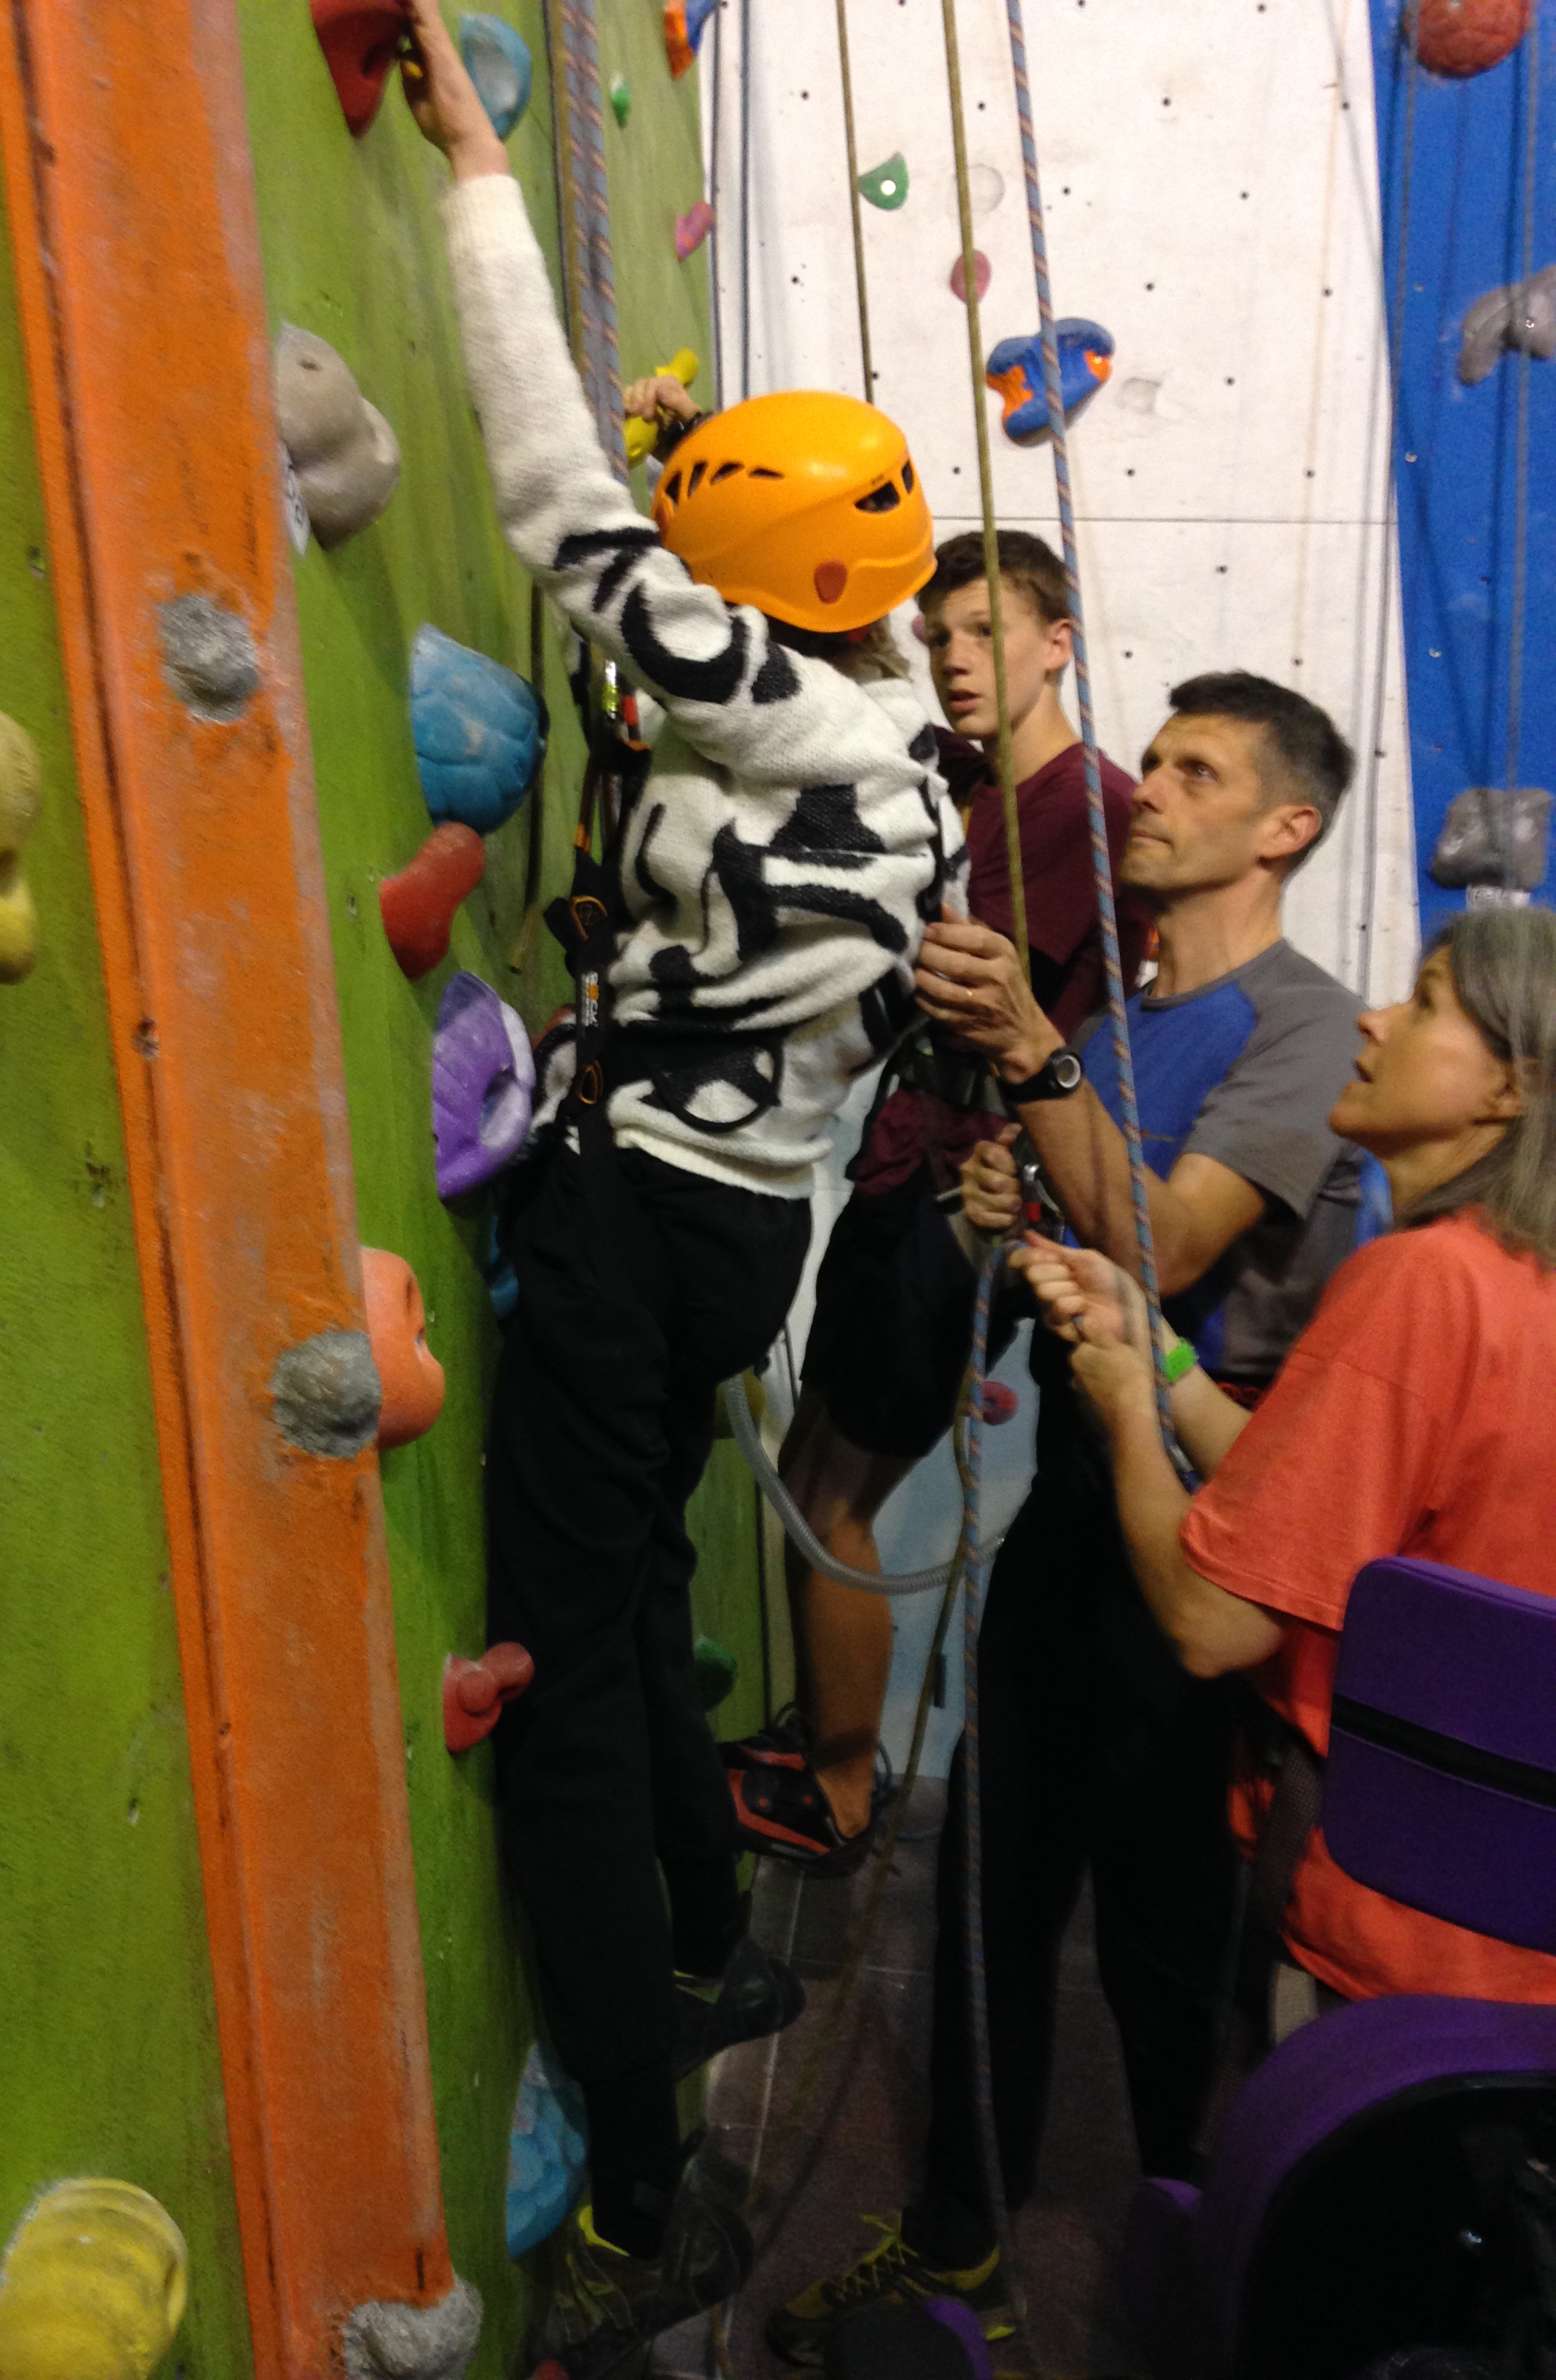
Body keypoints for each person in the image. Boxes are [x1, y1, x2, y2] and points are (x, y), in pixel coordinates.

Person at [399, 9, 963, 2372]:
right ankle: (717, 1932)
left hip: (641, 1213)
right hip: (748, 1225)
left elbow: (561, 509)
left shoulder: (763, 696)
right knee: (634, 1585)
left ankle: (647, 2194)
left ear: (754, 577)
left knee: (557, 1679)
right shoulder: (903, 741)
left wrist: (474, 179)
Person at [769, 672, 1370, 2358]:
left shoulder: (1303, 1026)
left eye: (1197, 772)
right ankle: (958, 2239)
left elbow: (1167, 1245)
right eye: (1154, 759)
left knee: (1171, 1947)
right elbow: (1083, 1226)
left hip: (1206, 1537)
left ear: (1286, 827)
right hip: (1073, 1515)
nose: (1149, 791)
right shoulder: (1117, 1029)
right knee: (989, 1888)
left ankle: (1202, 2267)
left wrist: (1035, 1066)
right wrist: (1001, 1200)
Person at [1018, 904, 1556, 2011]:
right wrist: (1160, 1352)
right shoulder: (1519, 1284)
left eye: (1426, 1004)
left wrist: (1126, 1411)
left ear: (1511, 1089)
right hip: (1503, 1910)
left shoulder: (1424, 1283)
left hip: (1392, 1912)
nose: (1375, 1021)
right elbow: (1314, 1500)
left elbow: (1213, 1622)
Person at [723, 529, 1148, 1871]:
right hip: (908, 1158)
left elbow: (1025, 1007)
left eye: (985, 633)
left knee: (836, 1498)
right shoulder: (959, 780)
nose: (956, 661)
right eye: (939, 637)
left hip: (971, 1191)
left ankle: (844, 1794)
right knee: (814, 1468)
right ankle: (822, 1739)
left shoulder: (1093, 814)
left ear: (1057, 644)